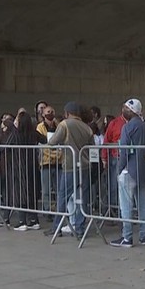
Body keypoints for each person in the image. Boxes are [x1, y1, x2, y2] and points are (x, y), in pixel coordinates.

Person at [48, 102, 95, 237]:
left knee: (63, 197)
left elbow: (53, 142)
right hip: (85, 166)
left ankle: (57, 226)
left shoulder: (65, 124)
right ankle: (79, 228)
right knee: (82, 197)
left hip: (69, 165)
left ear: (67, 113)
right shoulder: (87, 128)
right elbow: (91, 146)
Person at [111, 99, 145, 247]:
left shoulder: (127, 128)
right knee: (142, 204)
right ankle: (144, 235)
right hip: (143, 169)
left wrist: (119, 169)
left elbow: (124, 152)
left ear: (132, 111)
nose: (123, 110)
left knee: (126, 205)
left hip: (129, 170)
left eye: (126, 108)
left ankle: (127, 237)